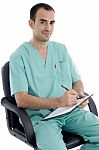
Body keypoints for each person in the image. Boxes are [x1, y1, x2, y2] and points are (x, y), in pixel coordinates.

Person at [10, 3, 99, 150]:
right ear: (31, 23)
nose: (48, 28)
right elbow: (21, 100)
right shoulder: (19, 57)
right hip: (42, 119)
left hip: (70, 112)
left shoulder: (61, 50)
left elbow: (77, 81)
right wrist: (59, 101)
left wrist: (79, 95)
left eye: (52, 23)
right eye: (42, 22)